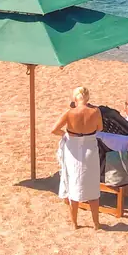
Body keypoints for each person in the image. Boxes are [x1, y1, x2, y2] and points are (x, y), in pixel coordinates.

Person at [52, 86, 102, 230]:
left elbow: (54, 129)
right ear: (87, 98)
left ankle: (74, 223)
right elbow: (100, 128)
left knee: (73, 182)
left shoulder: (70, 113)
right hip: (89, 148)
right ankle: (96, 223)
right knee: (92, 184)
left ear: (75, 98)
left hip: (73, 148)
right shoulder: (95, 111)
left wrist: (65, 135)